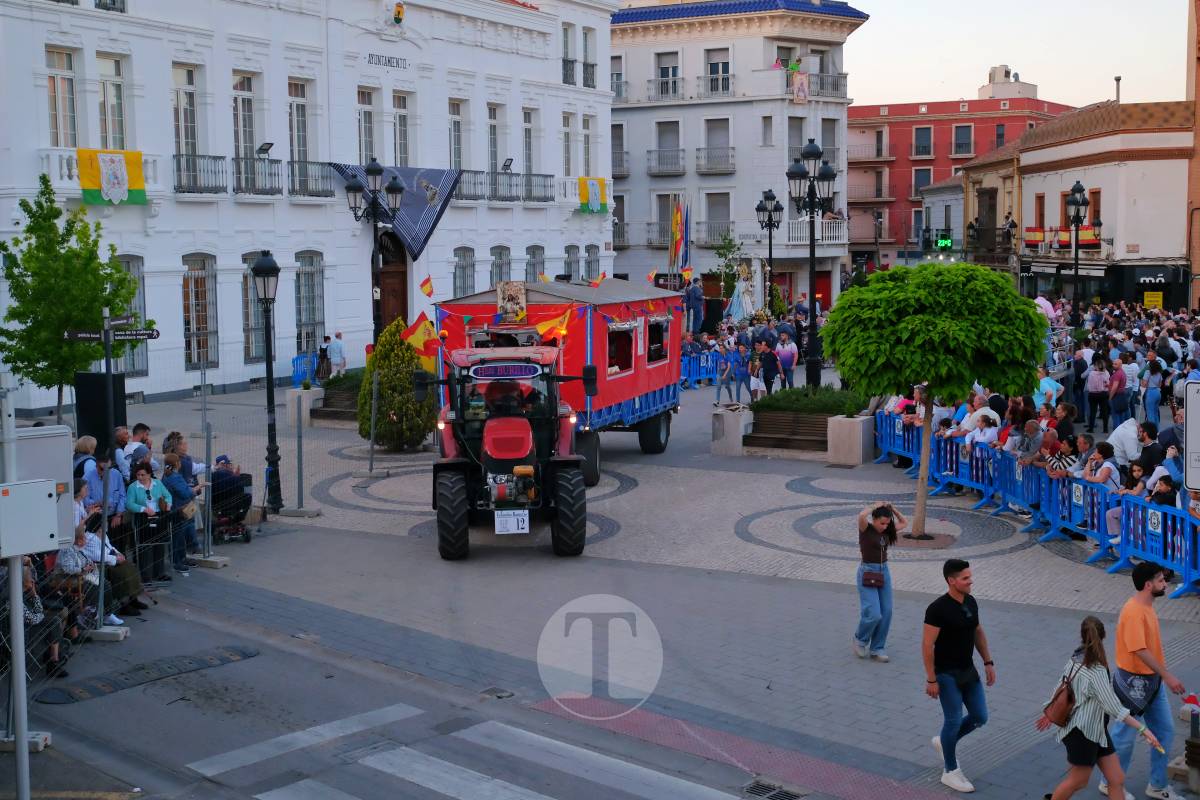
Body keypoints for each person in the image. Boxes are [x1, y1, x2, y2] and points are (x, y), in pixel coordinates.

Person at [1035, 616, 1162, 800]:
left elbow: (1061, 686)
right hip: (1083, 733)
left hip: (1096, 731)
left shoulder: (1075, 658)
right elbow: (1114, 707)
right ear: (1103, 636)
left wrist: (1049, 711)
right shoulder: (1096, 671)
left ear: (1082, 635)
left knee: (1116, 778)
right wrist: (1144, 729)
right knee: (1078, 781)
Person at [1104, 562, 1186, 800]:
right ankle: (1111, 785)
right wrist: (1168, 676)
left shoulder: (1146, 606)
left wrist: (1161, 677)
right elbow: (1139, 649)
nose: (1165, 583)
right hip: (1134, 685)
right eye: (1161, 580)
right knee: (1124, 737)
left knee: (1165, 731)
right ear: (1148, 585)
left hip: (1152, 683)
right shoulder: (1133, 612)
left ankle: (1158, 785)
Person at [923, 558, 994, 794]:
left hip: (968, 670)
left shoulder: (971, 602)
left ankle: (945, 742)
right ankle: (950, 771)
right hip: (945, 674)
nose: (970, 580)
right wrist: (931, 679)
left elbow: (978, 631)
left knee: (979, 716)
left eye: (969, 576)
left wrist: (988, 661)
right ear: (951, 581)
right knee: (953, 720)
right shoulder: (937, 609)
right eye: (965, 578)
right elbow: (927, 645)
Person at [853, 502, 907, 662]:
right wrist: (875, 505)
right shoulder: (866, 529)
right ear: (874, 519)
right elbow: (861, 515)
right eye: (881, 523)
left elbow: (904, 523)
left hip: (884, 572)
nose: (884, 526)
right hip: (867, 571)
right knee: (874, 613)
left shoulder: (888, 531)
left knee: (887, 611)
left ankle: (877, 648)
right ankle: (859, 640)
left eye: (887, 523)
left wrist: (893, 510)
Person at [125, 460, 173, 583]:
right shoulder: (133, 487)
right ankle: (145, 575)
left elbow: (168, 495)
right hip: (142, 517)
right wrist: (143, 509)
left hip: (158, 515)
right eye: (138, 475)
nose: (140, 477)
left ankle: (159, 573)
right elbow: (129, 504)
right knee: (144, 546)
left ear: (149, 474)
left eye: (143, 475)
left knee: (159, 544)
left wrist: (168, 504)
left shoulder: (157, 483)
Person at [1086, 358, 1111, 433]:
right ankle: (1105, 428)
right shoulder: (1106, 373)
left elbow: (1089, 383)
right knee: (1104, 411)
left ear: (1096, 366)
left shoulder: (1092, 373)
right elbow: (1108, 383)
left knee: (1093, 411)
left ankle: (1091, 428)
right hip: (1103, 393)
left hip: (1093, 394)